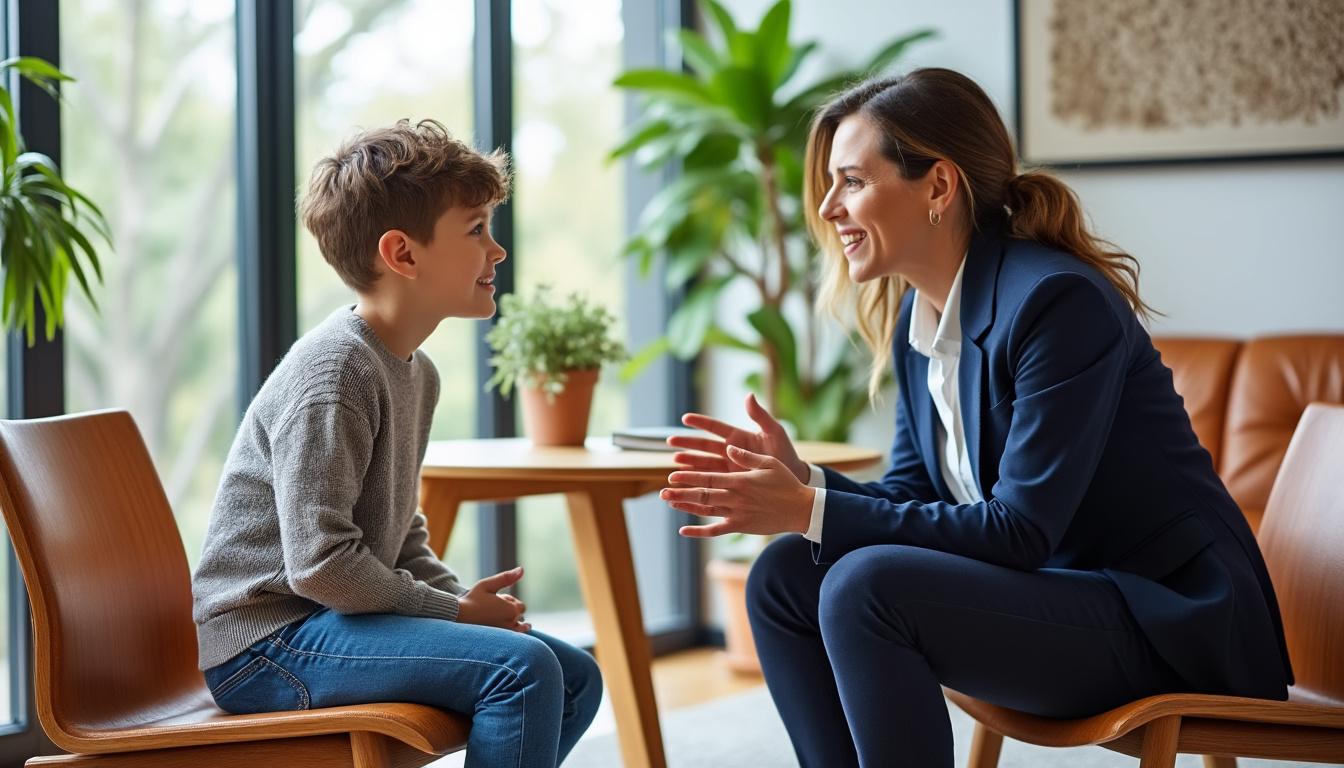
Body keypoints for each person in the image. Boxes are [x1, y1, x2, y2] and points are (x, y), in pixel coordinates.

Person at [660, 69, 1292, 767]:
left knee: (866, 586)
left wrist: (810, 506)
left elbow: (1020, 530)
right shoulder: (918, 317)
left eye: (853, 181)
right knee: (785, 576)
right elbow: (912, 498)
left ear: (938, 187)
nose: (828, 208)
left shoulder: (1056, 303)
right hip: (1064, 593)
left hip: (1166, 617)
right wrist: (805, 482)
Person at [191, 119, 602, 768]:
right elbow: (322, 564)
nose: (497, 252)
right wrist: (454, 613)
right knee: (521, 671)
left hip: (328, 622)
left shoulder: (414, 370)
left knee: (573, 672)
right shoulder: (334, 375)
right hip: (268, 644)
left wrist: (467, 604)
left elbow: (397, 535)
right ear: (403, 255)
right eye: (475, 230)